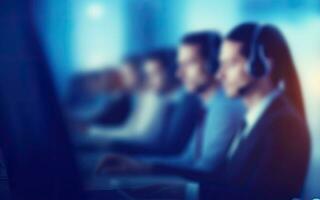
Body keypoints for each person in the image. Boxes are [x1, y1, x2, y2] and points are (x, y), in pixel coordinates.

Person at [97, 31, 245, 174]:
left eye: (189, 63)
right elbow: (187, 159)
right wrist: (140, 164)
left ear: (213, 64)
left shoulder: (225, 107)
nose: (179, 73)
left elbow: (205, 170)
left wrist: (147, 168)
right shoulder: (208, 105)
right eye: (180, 65)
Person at [204, 22, 311, 199]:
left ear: (261, 64)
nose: (220, 75)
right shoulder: (254, 119)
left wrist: (187, 192)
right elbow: (227, 182)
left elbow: (260, 195)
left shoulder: (283, 125)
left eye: (231, 63)